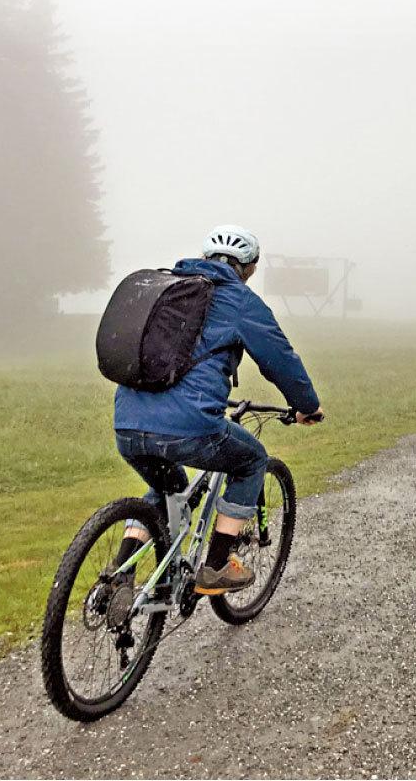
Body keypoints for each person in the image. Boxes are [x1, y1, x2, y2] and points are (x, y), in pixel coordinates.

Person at [112, 224, 323, 595]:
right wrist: (306, 406)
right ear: (250, 268)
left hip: (127, 421)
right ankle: (217, 566)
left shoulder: (165, 289)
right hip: (190, 425)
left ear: (205, 257)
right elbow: (279, 360)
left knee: (168, 487)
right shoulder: (239, 300)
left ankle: (119, 574)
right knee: (252, 460)